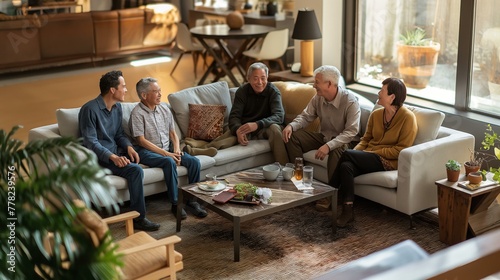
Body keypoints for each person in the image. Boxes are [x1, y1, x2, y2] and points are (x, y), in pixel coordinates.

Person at [78, 70, 160, 231]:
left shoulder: (117, 108)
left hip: (117, 152)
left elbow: (119, 134)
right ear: (113, 90)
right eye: (123, 86)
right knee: (135, 170)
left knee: (146, 156)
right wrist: (113, 157)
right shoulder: (89, 109)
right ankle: (139, 218)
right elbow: (90, 142)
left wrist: (128, 147)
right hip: (101, 159)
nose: (126, 90)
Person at [331, 77, 418, 227]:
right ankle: (348, 210)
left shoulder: (408, 119)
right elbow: (365, 140)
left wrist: (372, 152)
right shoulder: (377, 114)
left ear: (392, 97)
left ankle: (328, 193)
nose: (378, 93)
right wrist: (357, 154)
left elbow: (401, 150)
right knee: (346, 165)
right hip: (369, 157)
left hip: (388, 162)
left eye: (382, 91)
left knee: (346, 154)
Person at [282, 65, 361, 211]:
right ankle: (301, 182)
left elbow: (351, 132)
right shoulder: (318, 98)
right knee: (294, 137)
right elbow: (306, 117)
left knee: (338, 149)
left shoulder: (350, 101)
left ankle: (331, 194)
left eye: (317, 82)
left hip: (346, 143)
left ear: (329, 84)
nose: (314, 85)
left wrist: (329, 146)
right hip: (324, 137)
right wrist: (291, 126)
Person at [129, 77, 207, 219]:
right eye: (155, 91)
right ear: (144, 95)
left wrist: (176, 149)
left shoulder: (164, 109)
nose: (159, 94)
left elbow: (173, 133)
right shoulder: (137, 114)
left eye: (160, 91)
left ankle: (192, 201)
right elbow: (141, 141)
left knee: (194, 162)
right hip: (146, 152)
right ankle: (175, 203)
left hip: (168, 148)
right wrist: (166, 154)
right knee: (169, 162)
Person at [228, 62, 288, 164]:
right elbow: (234, 116)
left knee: (275, 128)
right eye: (255, 78)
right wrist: (238, 129)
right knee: (229, 134)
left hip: (266, 127)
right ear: (248, 79)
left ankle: (284, 167)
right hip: (247, 128)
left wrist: (257, 124)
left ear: (267, 77)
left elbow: (279, 116)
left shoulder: (273, 92)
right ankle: (204, 149)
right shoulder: (242, 91)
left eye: (263, 78)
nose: (259, 82)